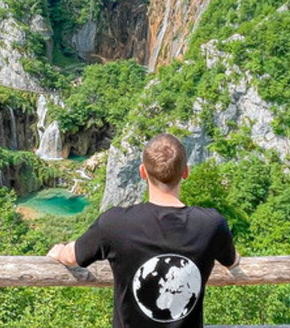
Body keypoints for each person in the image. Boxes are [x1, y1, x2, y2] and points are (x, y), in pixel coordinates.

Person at [48, 133, 240, 328]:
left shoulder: (115, 224)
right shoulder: (211, 225)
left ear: (142, 172)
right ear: (186, 172)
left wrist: (59, 251)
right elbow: (232, 261)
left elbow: (72, 256)